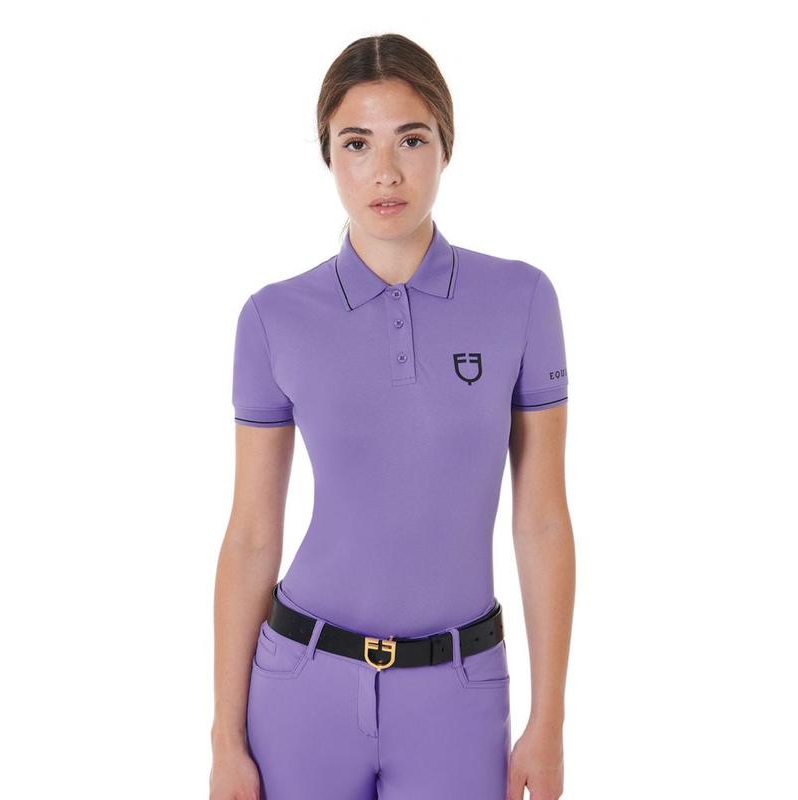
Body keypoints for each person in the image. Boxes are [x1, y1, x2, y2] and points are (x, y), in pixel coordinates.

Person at [210, 33, 575, 800]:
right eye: (357, 143)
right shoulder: (274, 318)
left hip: (460, 695)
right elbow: (251, 534)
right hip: (301, 687)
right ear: (328, 155)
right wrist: (226, 738)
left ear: (446, 144)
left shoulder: (521, 300)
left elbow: (542, 519)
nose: (385, 171)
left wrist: (548, 722)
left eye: (411, 139)